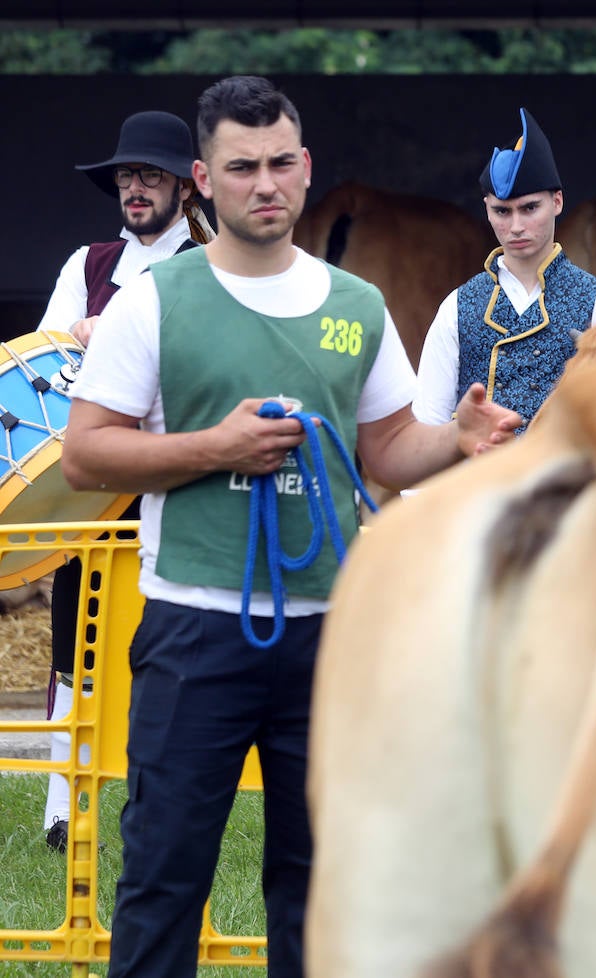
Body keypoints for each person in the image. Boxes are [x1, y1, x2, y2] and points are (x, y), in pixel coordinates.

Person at [61, 75, 521, 978]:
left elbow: (386, 448)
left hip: (329, 633)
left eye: (279, 163)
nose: (264, 183)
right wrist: (215, 447)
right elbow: (86, 454)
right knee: (163, 875)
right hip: (192, 629)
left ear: (306, 169)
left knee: (319, 883)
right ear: (203, 179)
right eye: (241, 168)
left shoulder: (357, 303)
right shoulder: (154, 301)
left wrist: (459, 441)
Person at [35, 109, 214, 854]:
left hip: (173, 484)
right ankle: (59, 807)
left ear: (183, 186)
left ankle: (156, 800)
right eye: (125, 178)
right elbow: (45, 361)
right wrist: (74, 336)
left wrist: (104, 335)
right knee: (74, 641)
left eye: (150, 177)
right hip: (91, 481)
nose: (134, 190)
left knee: (166, 645)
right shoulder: (87, 263)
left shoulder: (215, 266)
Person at [413, 107, 596, 430]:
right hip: (477, 478)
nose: (515, 226)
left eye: (529, 208)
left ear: (557, 202)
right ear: (487, 210)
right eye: (502, 211)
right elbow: (427, 425)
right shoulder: (457, 309)